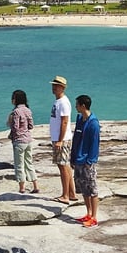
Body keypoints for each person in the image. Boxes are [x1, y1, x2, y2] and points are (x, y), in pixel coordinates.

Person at [69, 94, 101, 227]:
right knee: (83, 189)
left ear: (83, 106)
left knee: (92, 189)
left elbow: (95, 143)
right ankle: (88, 213)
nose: (75, 106)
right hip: (78, 159)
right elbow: (76, 138)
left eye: (77, 104)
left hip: (87, 161)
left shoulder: (93, 123)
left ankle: (94, 217)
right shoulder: (80, 119)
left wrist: (90, 161)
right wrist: (72, 156)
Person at [49, 75, 76, 204]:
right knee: (64, 165)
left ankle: (65, 195)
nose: (53, 87)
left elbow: (64, 122)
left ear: (62, 87)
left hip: (62, 139)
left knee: (63, 165)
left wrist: (60, 140)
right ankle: (71, 193)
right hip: (58, 138)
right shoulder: (58, 101)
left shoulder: (63, 102)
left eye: (56, 86)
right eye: (53, 85)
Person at [7, 89, 38, 194]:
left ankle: (22, 188)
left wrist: (10, 124)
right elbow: (31, 126)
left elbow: (15, 127)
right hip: (28, 140)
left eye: (13, 98)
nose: (12, 100)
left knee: (19, 165)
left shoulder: (16, 112)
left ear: (15, 99)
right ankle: (35, 185)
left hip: (19, 141)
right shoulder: (28, 110)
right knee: (29, 163)